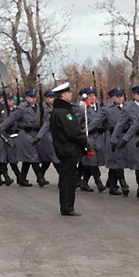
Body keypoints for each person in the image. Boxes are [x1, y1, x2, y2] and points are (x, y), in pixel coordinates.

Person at [49, 82, 87, 216]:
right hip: (68, 150)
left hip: (62, 149)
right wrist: (85, 142)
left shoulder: (56, 112)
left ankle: (66, 206)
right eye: (69, 92)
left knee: (65, 178)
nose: (71, 94)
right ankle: (67, 206)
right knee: (69, 180)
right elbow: (74, 132)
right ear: (63, 95)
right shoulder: (65, 113)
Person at [0, 90, 46, 187]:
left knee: (28, 157)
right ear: (27, 98)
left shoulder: (39, 107)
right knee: (33, 156)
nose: (33, 99)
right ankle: (40, 178)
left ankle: (22, 178)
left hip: (36, 133)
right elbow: (11, 119)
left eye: (34, 97)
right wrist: (0, 128)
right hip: (25, 134)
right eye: (31, 97)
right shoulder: (22, 108)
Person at [88, 88, 128, 196]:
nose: (120, 98)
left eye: (121, 96)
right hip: (112, 137)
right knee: (116, 159)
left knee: (119, 161)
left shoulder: (128, 107)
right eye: (117, 96)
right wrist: (85, 131)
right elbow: (97, 121)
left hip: (125, 136)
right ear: (112, 98)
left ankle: (113, 185)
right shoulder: (107, 109)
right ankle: (122, 183)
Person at [112, 85, 139, 200]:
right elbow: (120, 124)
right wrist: (114, 139)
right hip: (135, 139)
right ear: (133, 95)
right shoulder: (128, 108)